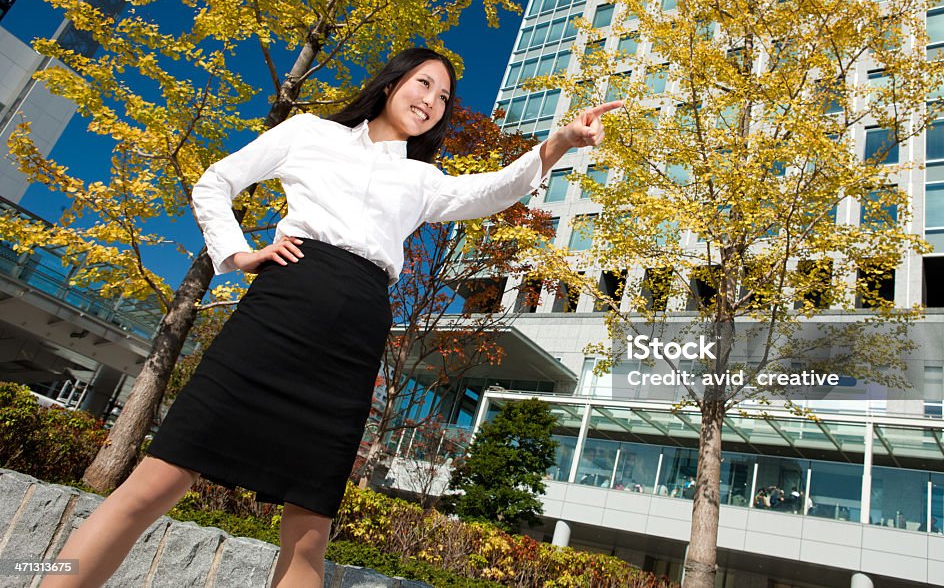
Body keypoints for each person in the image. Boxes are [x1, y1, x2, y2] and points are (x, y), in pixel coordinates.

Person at [43, 47, 621, 588]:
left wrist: (562, 141)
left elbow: (495, 190)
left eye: (444, 98)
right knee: (152, 486)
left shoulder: (421, 180)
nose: (431, 101)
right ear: (392, 82)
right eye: (424, 83)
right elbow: (215, 181)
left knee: (308, 536)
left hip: (355, 334)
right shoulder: (308, 133)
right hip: (282, 307)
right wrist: (237, 254)